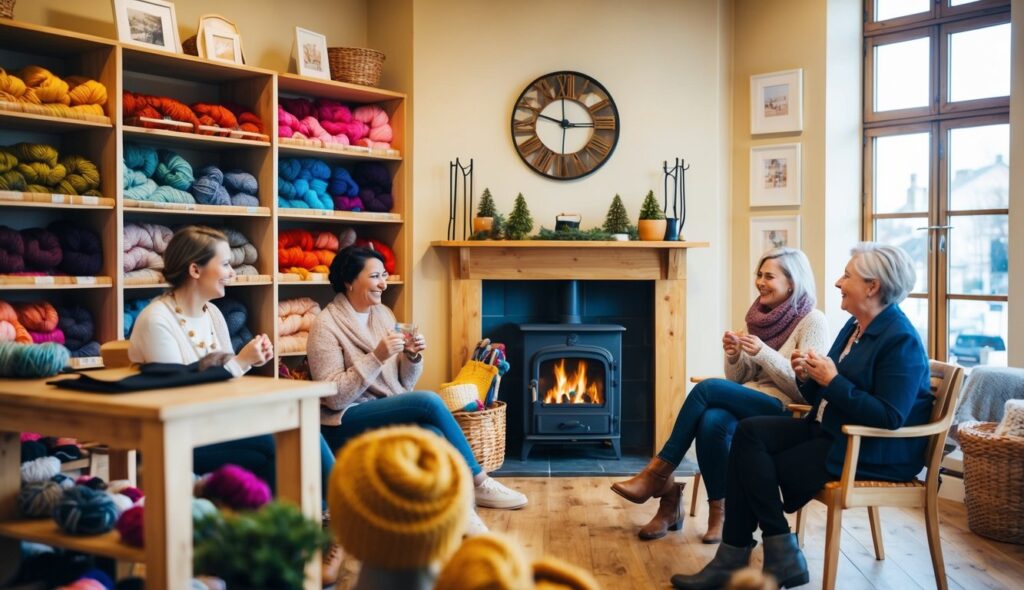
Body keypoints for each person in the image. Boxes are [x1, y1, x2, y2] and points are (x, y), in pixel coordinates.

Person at [670, 243, 932, 590]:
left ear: (873, 287)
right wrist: (808, 377)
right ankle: (770, 552)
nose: (838, 282)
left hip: (867, 450)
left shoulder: (901, 340)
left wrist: (831, 380)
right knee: (748, 434)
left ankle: (744, 557)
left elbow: (888, 416)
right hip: (831, 429)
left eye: (847, 275)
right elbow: (821, 395)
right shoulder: (855, 327)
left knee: (753, 463)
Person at [127, 226, 343, 585]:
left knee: (300, 433)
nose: (232, 271)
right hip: (179, 434)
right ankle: (311, 535)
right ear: (195, 270)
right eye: (225, 264)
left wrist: (247, 363)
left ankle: (292, 542)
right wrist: (240, 362)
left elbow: (229, 383)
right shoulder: (156, 320)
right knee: (274, 444)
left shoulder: (213, 314)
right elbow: (177, 394)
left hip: (219, 425)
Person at [307, 245, 529, 535]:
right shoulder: (324, 326)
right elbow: (334, 397)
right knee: (428, 401)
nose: (384, 283)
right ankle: (478, 480)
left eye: (384, 275)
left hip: (384, 409)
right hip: (344, 419)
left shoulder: (383, 314)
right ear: (350, 281)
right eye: (375, 276)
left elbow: (404, 383)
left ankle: (459, 506)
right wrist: (376, 356)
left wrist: (411, 357)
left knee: (433, 434)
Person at [611, 247, 828, 542]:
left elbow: (804, 388)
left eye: (769, 277)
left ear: (792, 282)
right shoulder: (760, 317)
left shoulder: (813, 320)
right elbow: (738, 379)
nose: (760, 282)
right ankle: (720, 512)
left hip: (785, 410)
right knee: (712, 421)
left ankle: (659, 473)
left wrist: (763, 353)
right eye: (759, 275)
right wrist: (735, 356)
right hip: (752, 399)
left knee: (708, 388)